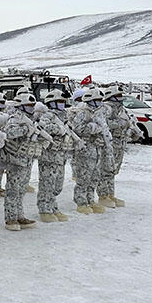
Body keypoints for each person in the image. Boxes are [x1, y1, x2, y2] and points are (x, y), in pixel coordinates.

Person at [1, 93, 42, 230]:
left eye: (32, 105)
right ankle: (11, 219)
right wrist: (25, 130)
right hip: (16, 160)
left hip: (26, 159)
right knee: (13, 189)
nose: (31, 107)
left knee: (22, 189)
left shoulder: (30, 119)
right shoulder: (15, 118)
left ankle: (19, 215)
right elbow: (9, 133)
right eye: (29, 105)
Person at [68, 87, 111, 215]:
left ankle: (90, 200)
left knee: (94, 177)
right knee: (84, 177)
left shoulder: (99, 113)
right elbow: (76, 129)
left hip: (97, 149)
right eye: (96, 100)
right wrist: (91, 128)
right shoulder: (83, 112)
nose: (99, 102)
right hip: (86, 149)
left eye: (100, 100)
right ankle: (81, 202)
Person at [35, 90, 75, 222]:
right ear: (51, 103)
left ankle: (53, 205)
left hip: (60, 156)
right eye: (59, 102)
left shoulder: (64, 116)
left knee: (57, 185)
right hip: (49, 156)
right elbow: (43, 127)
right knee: (47, 183)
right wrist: (60, 129)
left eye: (63, 102)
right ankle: (44, 209)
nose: (62, 104)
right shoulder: (47, 115)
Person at [97, 86, 140, 207]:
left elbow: (128, 123)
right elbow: (102, 123)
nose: (121, 98)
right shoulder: (106, 108)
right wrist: (119, 124)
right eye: (118, 96)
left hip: (120, 143)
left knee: (113, 170)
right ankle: (103, 196)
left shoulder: (122, 110)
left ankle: (110, 194)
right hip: (109, 143)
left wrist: (132, 131)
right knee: (105, 170)